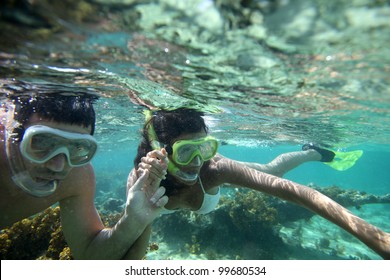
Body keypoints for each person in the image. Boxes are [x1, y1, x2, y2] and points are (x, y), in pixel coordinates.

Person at [127, 108, 390, 259]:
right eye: (186, 152)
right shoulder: (143, 182)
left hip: (215, 183)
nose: (197, 161)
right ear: (161, 151)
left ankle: (313, 152)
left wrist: (377, 238)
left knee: (272, 171)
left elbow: (296, 192)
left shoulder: (214, 168)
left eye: (205, 148)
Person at [0, 79, 168, 259]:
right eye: (42, 142)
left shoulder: (77, 176)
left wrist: (133, 220)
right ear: (10, 132)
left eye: (77, 148)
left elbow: (90, 254)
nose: (58, 165)